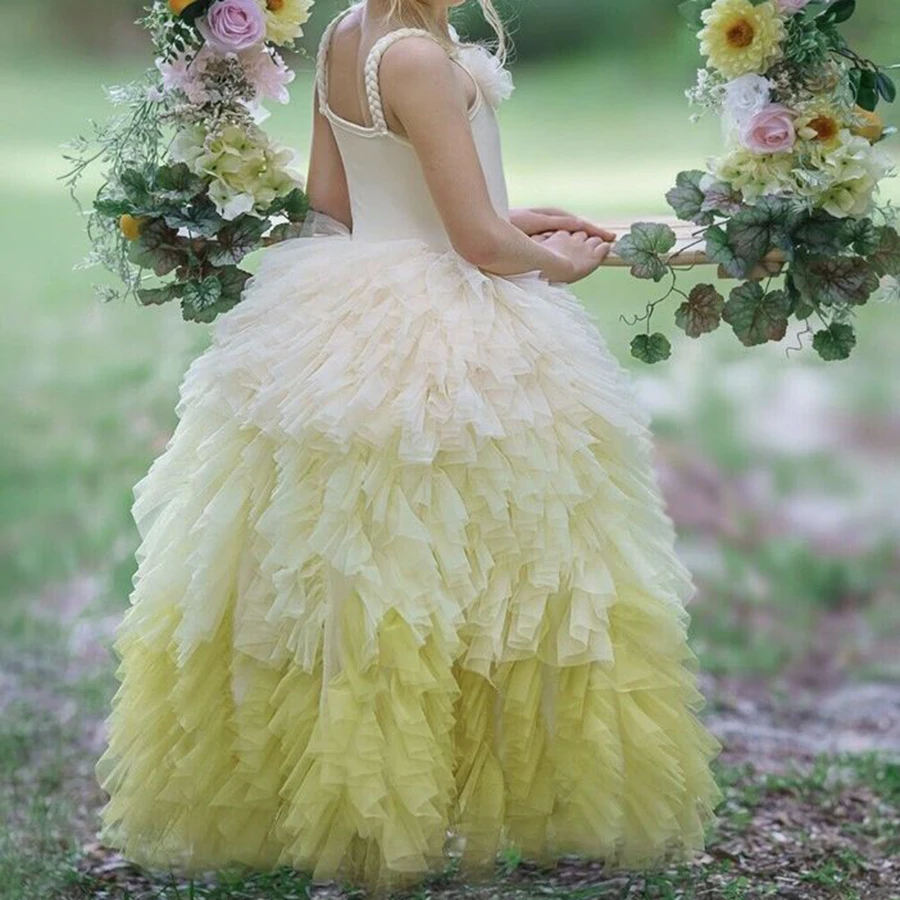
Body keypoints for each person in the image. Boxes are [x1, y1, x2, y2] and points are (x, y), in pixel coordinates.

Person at [94, 0, 725, 893]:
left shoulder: (346, 32)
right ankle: (401, 802)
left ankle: (343, 792)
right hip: (444, 311)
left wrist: (519, 214)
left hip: (355, 293)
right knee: (474, 557)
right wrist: (561, 262)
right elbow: (476, 243)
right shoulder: (421, 57)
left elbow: (334, 202)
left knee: (366, 560)